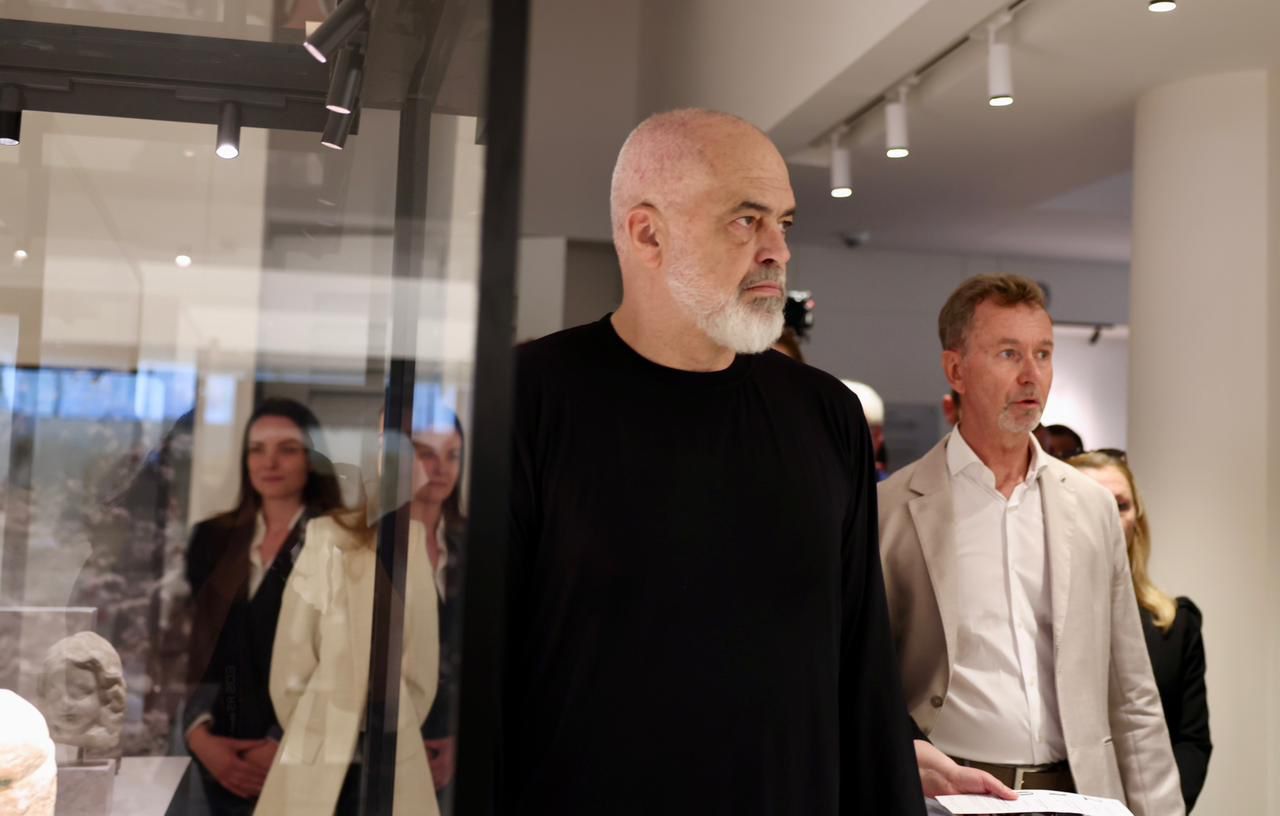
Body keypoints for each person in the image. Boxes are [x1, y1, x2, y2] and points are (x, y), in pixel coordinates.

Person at [503, 108, 924, 815]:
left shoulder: (825, 414)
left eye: (783, 223)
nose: (778, 251)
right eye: (745, 220)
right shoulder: (528, 399)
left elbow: (863, 668)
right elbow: (486, 675)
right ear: (648, 234)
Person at [877, 274, 1184, 815]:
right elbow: (869, 678)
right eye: (1008, 353)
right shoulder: (892, 508)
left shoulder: (1090, 506)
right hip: (948, 796)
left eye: (1043, 354)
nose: (1031, 375)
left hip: (1076, 792)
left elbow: (1132, 690)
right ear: (955, 370)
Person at [258, 406, 442, 816]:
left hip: (391, 754)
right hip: (320, 753)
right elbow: (292, 659)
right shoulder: (330, 535)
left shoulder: (413, 542)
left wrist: (394, 729)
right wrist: (315, 728)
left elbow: (420, 673)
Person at [178, 398, 343, 814]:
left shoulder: (342, 541)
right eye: (257, 449)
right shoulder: (212, 538)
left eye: (287, 449)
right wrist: (197, 734)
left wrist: (284, 743)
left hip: (308, 755)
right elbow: (193, 646)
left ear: (312, 460)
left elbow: (343, 660)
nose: (269, 462)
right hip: (219, 751)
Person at [1069, 450, 1211, 811]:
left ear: (1138, 520)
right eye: (1094, 504)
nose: (1109, 519)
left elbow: (1191, 740)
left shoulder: (1175, 622)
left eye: (1120, 506)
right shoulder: (1035, 623)